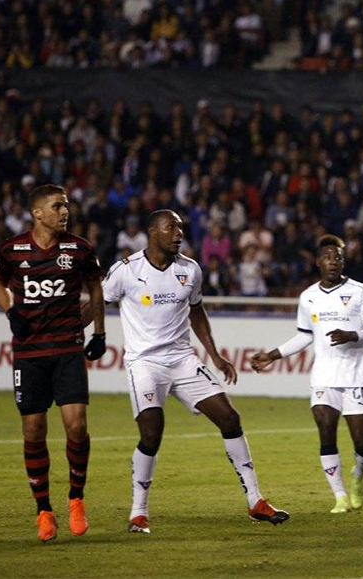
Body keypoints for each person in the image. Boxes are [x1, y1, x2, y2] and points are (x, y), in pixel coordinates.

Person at [102, 210, 288, 534]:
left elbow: (197, 312)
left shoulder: (190, 269)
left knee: (230, 418)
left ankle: (255, 501)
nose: (179, 233)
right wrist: (83, 335)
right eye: (171, 227)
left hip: (182, 359)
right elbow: (97, 301)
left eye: (180, 227)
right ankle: (138, 512)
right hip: (145, 363)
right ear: (152, 232)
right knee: (151, 432)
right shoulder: (126, 271)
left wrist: (214, 355)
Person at [0, 184, 106, 542]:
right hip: (29, 354)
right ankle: (43, 510)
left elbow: (96, 288)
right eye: (57, 206)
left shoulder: (79, 249)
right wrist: (10, 310)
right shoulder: (12, 250)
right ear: (37, 213)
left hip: (68, 349)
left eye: (66, 206)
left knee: (77, 425)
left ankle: (76, 498)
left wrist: (99, 333)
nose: (64, 211)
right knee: (33, 430)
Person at [251, 235, 363, 513]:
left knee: (362, 443)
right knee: (325, 431)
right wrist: (272, 355)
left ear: (343, 262)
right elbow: (304, 335)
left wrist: (351, 334)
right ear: (317, 262)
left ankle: (358, 474)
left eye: (338, 258)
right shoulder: (308, 296)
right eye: (327, 257)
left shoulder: (360, 291)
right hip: (323, 377)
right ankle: (340, 496)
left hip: (355, 375)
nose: (333, 262)